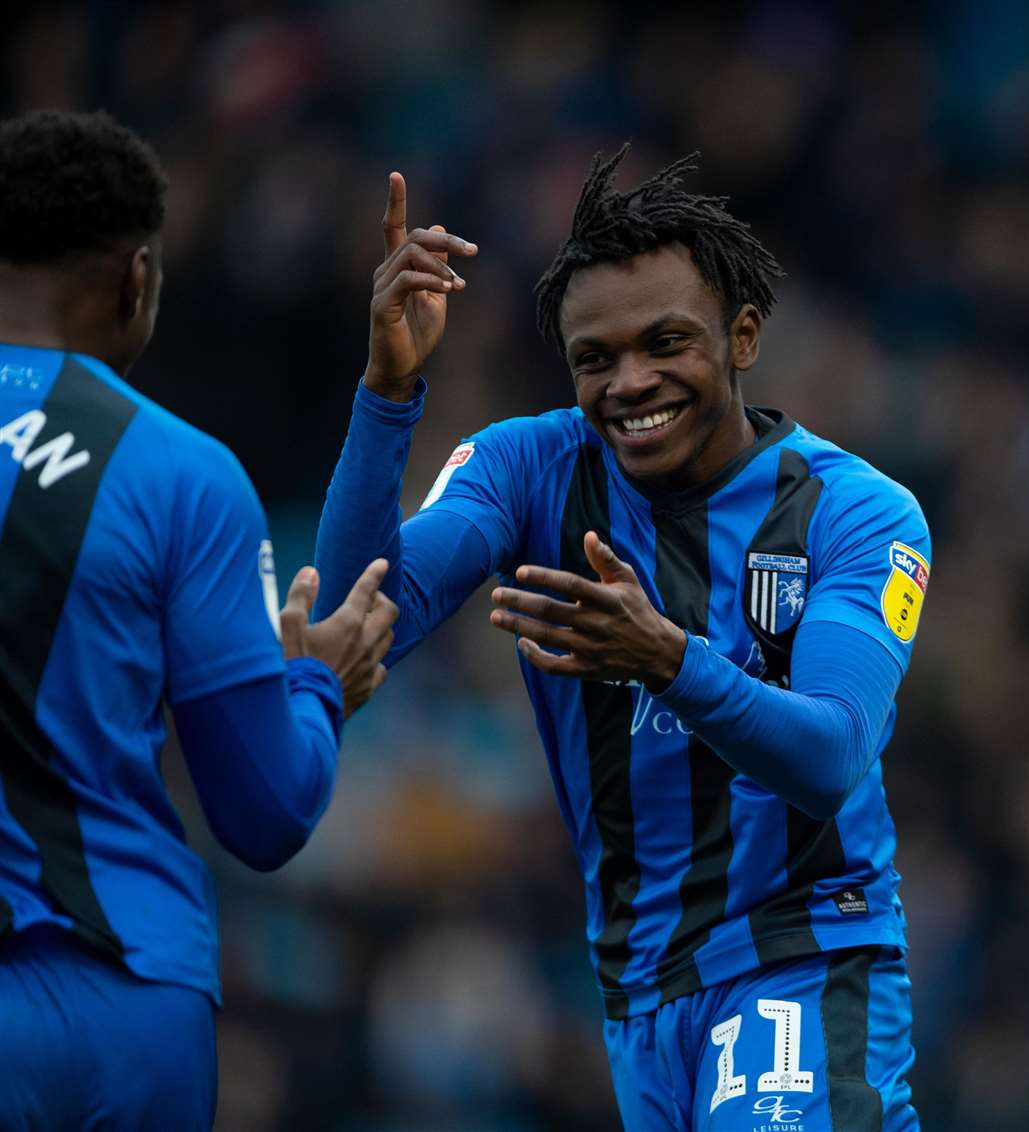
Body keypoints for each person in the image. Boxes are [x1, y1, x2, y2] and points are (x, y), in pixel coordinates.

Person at [315, 146, 930, 1131]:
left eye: (666, 342)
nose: (630, 382)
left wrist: (669, 659)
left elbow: (830, 754)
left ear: (743, 335)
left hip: (801, 960)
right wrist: (389, 391)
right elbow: (356, 608)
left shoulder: (855, 513)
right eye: (595, 358)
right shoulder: (528, 468)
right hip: (639, 994)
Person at [0, 109, 396, 1130]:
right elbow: (264, 810)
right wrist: (320, 683)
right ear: (137, 278)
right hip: (123, 1008)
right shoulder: (179, 472)